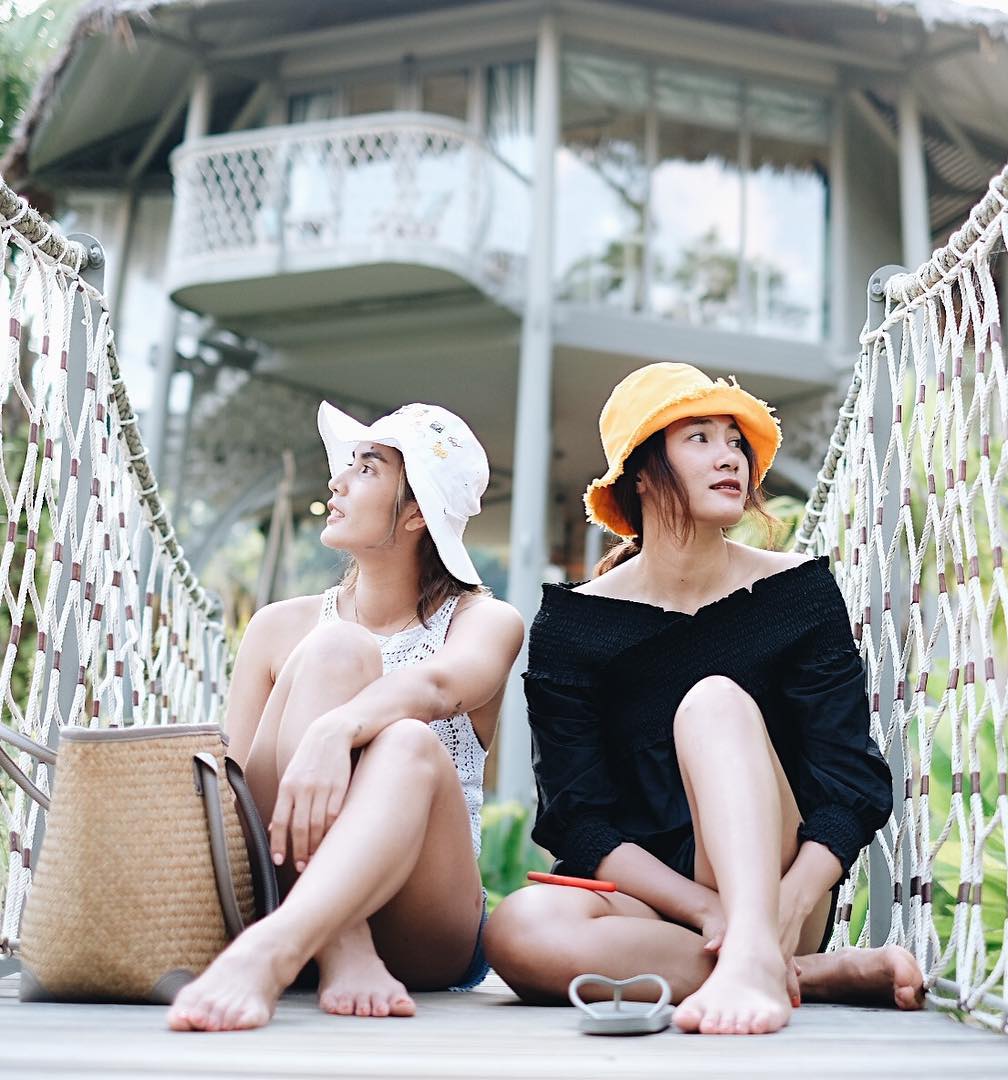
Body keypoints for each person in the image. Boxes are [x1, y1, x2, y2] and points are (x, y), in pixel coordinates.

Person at [483, 362, 924, 1036]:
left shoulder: (797, 593)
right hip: (657, 905)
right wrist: (711, 914)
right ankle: (799, 972)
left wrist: (773, 910)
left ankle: (762, 952)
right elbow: (580, 820)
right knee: (519, 931)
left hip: (780, 887)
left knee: (715, 701)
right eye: (699, 438)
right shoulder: (573, 625)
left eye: (735, 441)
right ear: (640, 472)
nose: (729, 458)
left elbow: (849, 789)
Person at [168, 401, 523, 1032]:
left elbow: (440, 685)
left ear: (416, 512)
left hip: (424, 923)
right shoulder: (279, 627)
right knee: (336, 648)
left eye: (367, 468)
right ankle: (339, 941)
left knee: (409, 741)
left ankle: (281, 952)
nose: (337, 481)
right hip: (282, 887)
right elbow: (235, 794)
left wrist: (338, 728)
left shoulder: (484, 622)